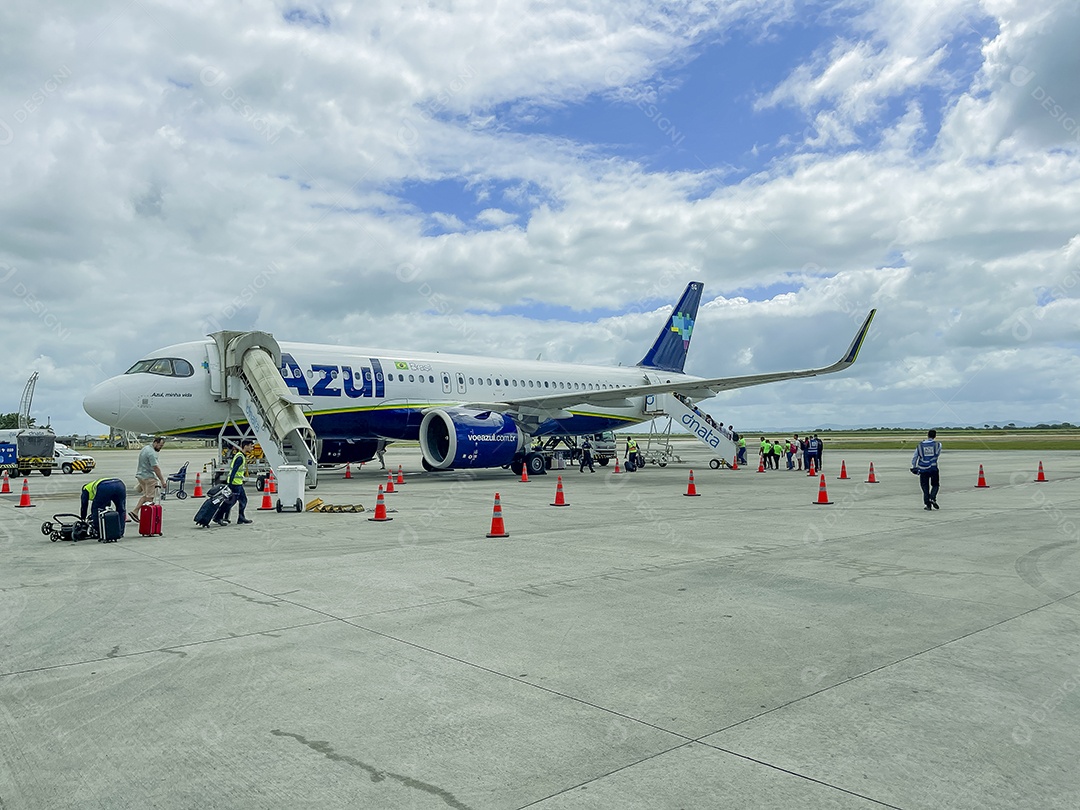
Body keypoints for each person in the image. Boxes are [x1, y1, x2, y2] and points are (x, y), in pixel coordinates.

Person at [216, 439, 255, 525]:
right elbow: (234, 471)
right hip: (234, 484)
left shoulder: (241, 455)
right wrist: (229, 484)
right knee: (230, 502)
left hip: (238, 483)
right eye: (251, 446)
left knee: (243, 500)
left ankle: (241, 518)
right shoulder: (240, 458)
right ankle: (218, 517)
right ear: (245, 446)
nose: (252, 447)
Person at [132, 436, 166, 520]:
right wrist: (162, 480)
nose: (160, 448)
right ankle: (145, 516)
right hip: (149, 477)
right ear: (155, 443)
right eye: (160, 445)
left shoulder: (145, 448)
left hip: (140, 475)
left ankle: (135, 512)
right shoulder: (152, 453)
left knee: (146, 495)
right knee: (150, 498)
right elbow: (156, 468)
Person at [911, 429, 942, 510]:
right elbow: (937, 454)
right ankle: (932, 497)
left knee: (925, 487)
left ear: (927, 435)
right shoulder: (938, 445)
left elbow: (915, 457)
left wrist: (914, 466)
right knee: (935, 485)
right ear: (935, 436)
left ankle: (927, 505)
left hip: (923, 469)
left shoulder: (920, 445)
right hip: (933, 468)